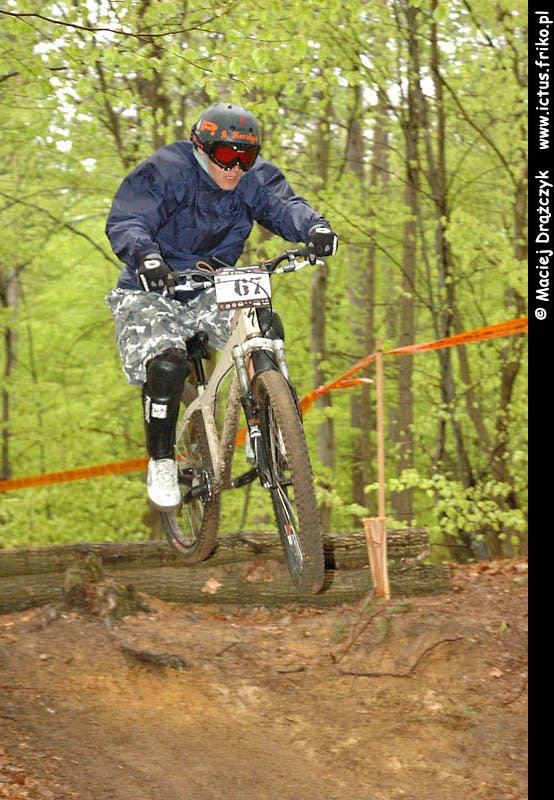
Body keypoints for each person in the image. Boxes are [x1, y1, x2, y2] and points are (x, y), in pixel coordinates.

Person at [105, 101, 338, 512]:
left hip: (213, 283)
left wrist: (315, 228)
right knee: (167, 366)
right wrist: (146, 257)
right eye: (225, 155)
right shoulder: (167, 170)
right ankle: (161, 460)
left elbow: (284, 205)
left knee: (263, 323)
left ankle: (267, 421)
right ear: (200, 147)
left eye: (245, 157)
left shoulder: (253, 179)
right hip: (153, 286)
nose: (235, 167)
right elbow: (129, 219)